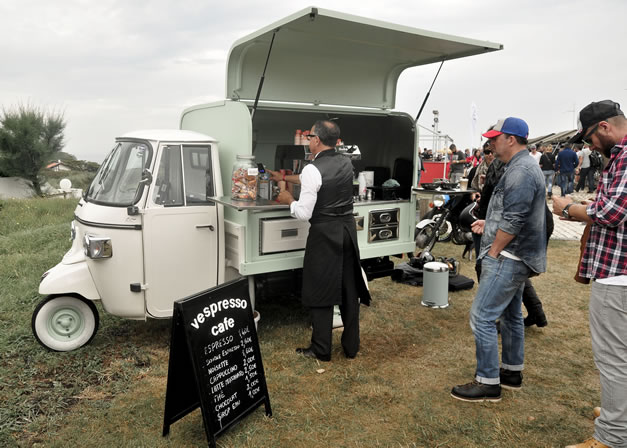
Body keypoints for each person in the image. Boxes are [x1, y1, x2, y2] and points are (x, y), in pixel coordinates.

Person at [451, 117, 546, 402]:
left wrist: (494, 250)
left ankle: (487, 381)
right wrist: (489, 224)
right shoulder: (520, 166)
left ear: (511, 139)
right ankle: (511, 372)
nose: (491, 143)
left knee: (482, 316)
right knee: (511, 315)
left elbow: (515, 220)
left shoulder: (521, 171)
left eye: (495, 138)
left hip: (508, 256)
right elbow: (511, 213)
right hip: (515, 254)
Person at [552, 100, 627, 448]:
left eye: (590, 139)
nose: (590, 147)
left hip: (618, 273)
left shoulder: (624, 156)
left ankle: (612, 436)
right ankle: (618, 414)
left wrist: (569, 207)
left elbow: (611, 213)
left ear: (604, 127)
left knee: (613, 359)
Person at [268, 120, 371, 362]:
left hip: (324, 233)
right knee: (349, 288)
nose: (308, 140)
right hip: (347, 230)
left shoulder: (312, 169)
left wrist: (288, 199)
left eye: (310, 136)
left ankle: (321, 349)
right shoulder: (345, 162)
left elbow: (304, 212)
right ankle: (351, 346)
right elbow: (317, 180)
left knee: (321, 288)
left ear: (316, 140)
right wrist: (284, 176)